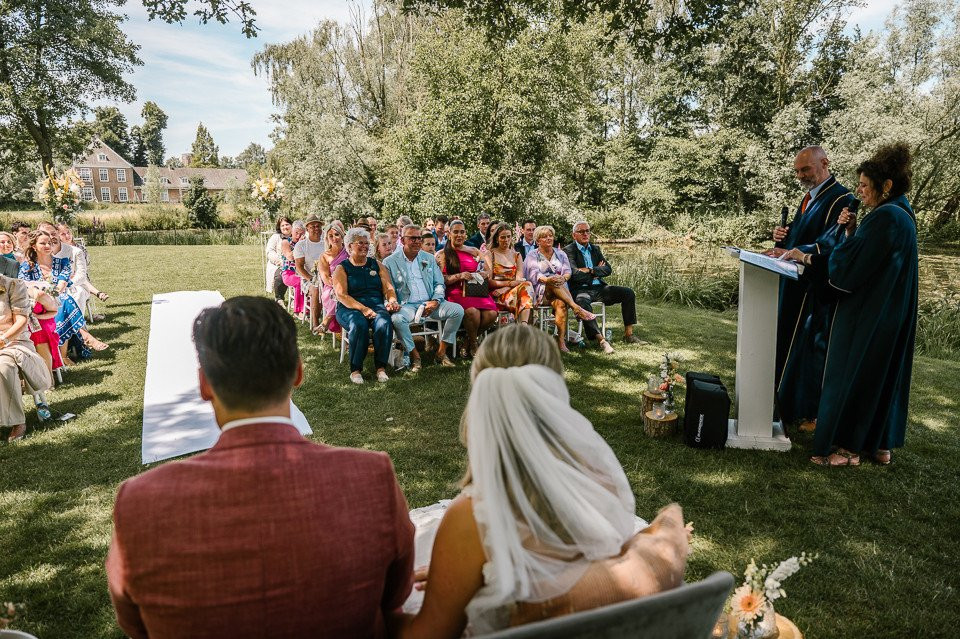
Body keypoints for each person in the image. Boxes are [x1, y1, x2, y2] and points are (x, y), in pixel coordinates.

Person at [106, 296, 415, 637]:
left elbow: (135, 624)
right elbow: (394, 599)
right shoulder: (371, 477)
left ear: (204, 384)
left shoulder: (140, 501)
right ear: (298, 372)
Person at [390, 325, 689, 637]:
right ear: (555, 390)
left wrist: (380, 608)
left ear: (480, 400)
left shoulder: (473, 517)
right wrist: (459, 577)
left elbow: (429, 634)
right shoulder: (601, 485)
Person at [783, 143, 918, 467]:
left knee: (854, 374)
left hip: (869, 313)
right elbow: (869, 255)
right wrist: (852, 230)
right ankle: (878, 446)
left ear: (886, 185)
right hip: (890, 311)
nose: (859, 191)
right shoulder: (902, 212)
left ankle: (847, 449)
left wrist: (809, 259)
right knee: (881, 375)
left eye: (864, 185)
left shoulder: (885, 217)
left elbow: (848, 266)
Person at [769, 146, 854, 431]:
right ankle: (784, 402)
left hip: (815, 286)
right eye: (797, 171)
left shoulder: (842, 198)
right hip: (793, 281)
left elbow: (832, 242)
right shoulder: (808, 198)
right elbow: (802, 234)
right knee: (788, 342)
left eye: (805, 169)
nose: (800, 176)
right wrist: (783, 236)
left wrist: (796, 250)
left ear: (825, 163)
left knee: (810, 347)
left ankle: (809, 412)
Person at [384, 224, 464, 371]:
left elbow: (439, 283)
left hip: (431, 303)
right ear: (402, 240)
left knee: (457, 310)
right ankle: (415, 356)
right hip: (407, 305)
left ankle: (441, 352)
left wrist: (435, 300)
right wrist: (392, 302)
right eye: (412, 238)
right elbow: (388, 289)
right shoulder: (390, 262)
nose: (417, 241)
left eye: (419, 238)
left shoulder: (428, 258)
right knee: (397, 319)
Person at [19, 230, 108, 358]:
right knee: (65, 300)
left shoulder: (63, 262)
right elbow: (25, 287)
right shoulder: (27, 266)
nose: (48, 246)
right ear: (34, 246)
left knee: (63, 300)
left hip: (57, 299)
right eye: (43, 243)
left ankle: (64, 355)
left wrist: (51, 292)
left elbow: (61, 286)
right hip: (37, 302)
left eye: (50, 243)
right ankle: (83, 338)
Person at [333, 228, 401, 384]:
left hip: (376, 305)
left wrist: (392, 301)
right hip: (349, 307)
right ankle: (355, 370)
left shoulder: (376, 265)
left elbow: (388, 288)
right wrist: (363, 309)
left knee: (384, 323)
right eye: (360, 243)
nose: (364, 246)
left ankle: (381, 368)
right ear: (349, 246)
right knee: (359, 324)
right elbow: (342, 295)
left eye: (366, 243)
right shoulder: (342, 268)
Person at [565, 221, 648, 346]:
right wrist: (596, 272)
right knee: (582, 302)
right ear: (574, 235)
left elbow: (608, 269)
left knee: (628, 293)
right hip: (580, 290)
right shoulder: (568, 250)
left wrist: (590, 270)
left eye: (587, 231)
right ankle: (597, 337)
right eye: (581, 231)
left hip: (600, 288)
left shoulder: (595, 249)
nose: (585, 234)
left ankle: (629, 334)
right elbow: (575, 274)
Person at [523, 225, 599, 353]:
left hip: (560, 291)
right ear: (538, 241)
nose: (549, 238)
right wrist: (549, 280)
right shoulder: (532, 255)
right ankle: (576, 308)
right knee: (553, 281)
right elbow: (534, 275)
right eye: (544, 236)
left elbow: (568, 271)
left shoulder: (560, 253)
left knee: (561, 304)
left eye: (550, 236)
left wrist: (563, 278)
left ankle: (561, 342)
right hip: (541, 292)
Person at [0, 274, 54, 441]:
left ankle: (17, 421)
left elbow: (21, 320)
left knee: (4, 366)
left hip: (13, 342)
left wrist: (3, 340)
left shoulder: (13, 285)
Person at [437, 220, 497, 358]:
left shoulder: (474, 251)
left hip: (476, 290)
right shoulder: (442, 253)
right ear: (449, 234)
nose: (459, 235)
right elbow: (441, 279)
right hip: (456, 292)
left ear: (465, 234)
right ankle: (474, 345)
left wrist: (484, 274)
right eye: (456, 232)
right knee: (472, 312)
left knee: (492, 314)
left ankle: (467, 341)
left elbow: (488, 271)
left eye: (462, 232)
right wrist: (459, 276)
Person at [484, 222, 534, 324]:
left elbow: (519, 281)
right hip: (496, 295)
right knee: (524, 298)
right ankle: (524, 326)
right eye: (503, 237)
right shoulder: (490, 254)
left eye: (508, 236)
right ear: (497, 238)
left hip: (512, 293)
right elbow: (489, 281)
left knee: (527, 285)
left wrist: (506, 288)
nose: (506, 240)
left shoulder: (517, 255)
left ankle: (523, 325)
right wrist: (508, 284)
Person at [57, 223, 110, 305]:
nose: (67, 236)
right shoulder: (57, 250)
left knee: (80, 281)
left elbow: (86, 264)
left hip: (80, 275)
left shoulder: (79, 248)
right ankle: (98, 293)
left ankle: (97, 293)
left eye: (68, 232)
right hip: (64, 277)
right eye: (63, 234)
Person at [293, 214, 325, 335]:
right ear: (307, 229)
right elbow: (299, 267)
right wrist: (312, 279)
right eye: (313, 226)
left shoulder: (326, 243)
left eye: (318, 226)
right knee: (316, 288)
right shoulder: (301, 245)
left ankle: (335, 324)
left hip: (325, 276)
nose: (316, 228)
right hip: (308, 278)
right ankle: (316, 324)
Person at [314, 221, 348, 335]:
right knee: (335, 295)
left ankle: (326, 322)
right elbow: (325, 278)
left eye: (337, 235)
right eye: (331, 236)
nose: (334, 238)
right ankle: (328, 322)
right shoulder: (324, 256)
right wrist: (338, 285)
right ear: (327, 239)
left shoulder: (350, 252)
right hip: (331, 287)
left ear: (342, 236)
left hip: (350, 284)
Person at [27, 284, 63, 377]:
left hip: (40, 322)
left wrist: (37, 316)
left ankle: (48, 377)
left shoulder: (38, 294)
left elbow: (54, 311)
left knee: (38, 334)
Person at [266, 216, 292, 294]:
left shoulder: (296, 236)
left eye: (287, 224)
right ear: (279, 228)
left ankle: (296, 297)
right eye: (282, 225)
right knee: (280, 277)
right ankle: (279, 298)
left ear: (291, 225)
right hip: (279, 263)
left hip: (295, 264)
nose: (285, 227)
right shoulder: (275, 237)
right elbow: (269, 251)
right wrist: (280, 261)